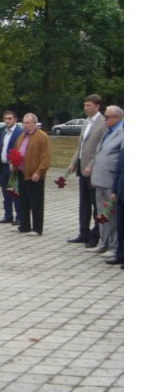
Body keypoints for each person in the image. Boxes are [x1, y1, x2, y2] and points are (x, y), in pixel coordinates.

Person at [67, 94, 107, 247]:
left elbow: (100, 148)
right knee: (83, 203)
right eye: (85, 105)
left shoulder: (102, 123)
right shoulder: (86, 122)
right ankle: (83, 232)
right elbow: (81, 146)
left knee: (95, 204)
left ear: (97, 106)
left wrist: (91, 164)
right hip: (82, 168)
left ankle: (95, 235)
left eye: (89, 105)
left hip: (93, 170)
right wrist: (73, 163)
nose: (86, 108)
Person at [89, 106, 124, 259]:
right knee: (100, 213)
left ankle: (114, 245)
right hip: (99, 178)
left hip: (111, 179)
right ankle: (103, 242)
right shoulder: (107, 131)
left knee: (112, 214)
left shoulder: (122, 132)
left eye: (107, 117)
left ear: (117, 117)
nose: (105, 119)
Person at [11, 113, 51, 236]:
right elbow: (16, 150)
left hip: (34, 175)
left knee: (36, 202)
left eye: (27, 123)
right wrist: (13, 163)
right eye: (24, 123)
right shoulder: (22, 135)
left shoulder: (42, 136)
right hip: (22, 172)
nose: (25, 125)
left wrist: (39, 171)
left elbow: (45, 157)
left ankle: (37, 228)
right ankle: (24, 225)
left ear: (34, 123)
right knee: (23, 201)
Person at [0, 111, 23, 225]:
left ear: (15, 119)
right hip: (3, 166)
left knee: (14, 192)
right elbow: (0, 149)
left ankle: (19, 216)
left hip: (13, 166)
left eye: (9, 118)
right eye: (5, 118)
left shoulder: (19, 132)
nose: (7, 121)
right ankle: (8, 215)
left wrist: (15, 164)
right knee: (6, 193)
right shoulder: (3, 131)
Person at [107, 147, 124, 267]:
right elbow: (118, 172)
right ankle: (120, 255)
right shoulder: (124, 150)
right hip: (121, 193)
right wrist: (114, 191)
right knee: (121, 227)